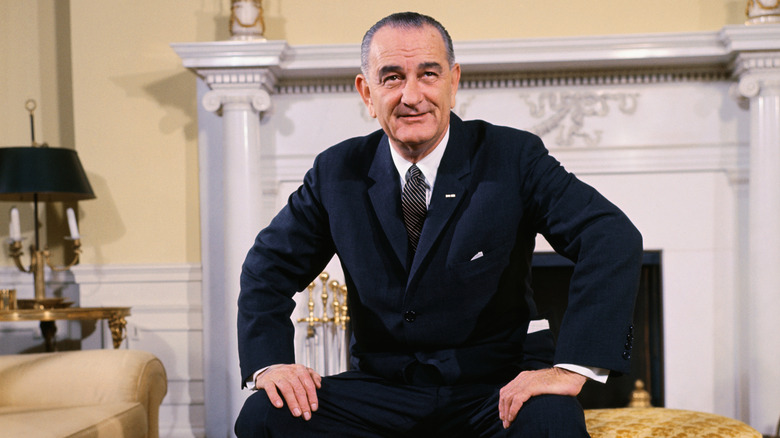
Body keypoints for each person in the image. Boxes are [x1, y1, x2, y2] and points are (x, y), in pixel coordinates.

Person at [235, 11, 642, 437]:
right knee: (265, 416)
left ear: (453, 82)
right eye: (391, 78)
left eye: (428, 74)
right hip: (383, 391)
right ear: (366, 93)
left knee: (551, 421)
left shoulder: (512, 157)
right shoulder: (336, 172)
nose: (412, 96)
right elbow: (268, 268)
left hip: (497, 388)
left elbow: (610, 236)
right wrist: (271, 363)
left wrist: (571, 367)